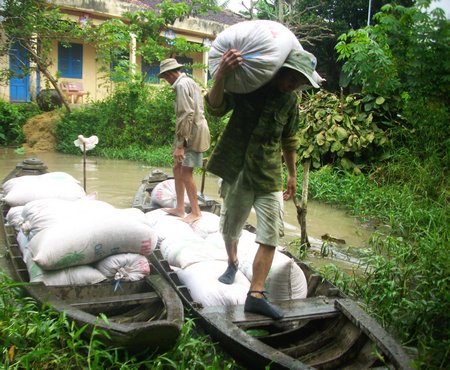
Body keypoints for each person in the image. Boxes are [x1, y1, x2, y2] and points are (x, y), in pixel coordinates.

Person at [205, 48, 321, 319]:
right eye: (292, 77)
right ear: (282, 70)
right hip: (238, 168)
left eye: (300, 81)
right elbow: (215, 109)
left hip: (269, 173)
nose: (294, 84)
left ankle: (256, 294)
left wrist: (292, 174)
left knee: (272, 232)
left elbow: (289, 139)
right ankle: (233, 261)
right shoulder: (250, 84)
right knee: (230, 228)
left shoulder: (290, 102)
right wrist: (221, 73)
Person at [158, 58, 210, 224]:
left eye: (166, 78)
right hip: (188, 131)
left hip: (192, 134)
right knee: (176, 167)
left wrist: (181, 145)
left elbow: (186, 114)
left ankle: (196, 211)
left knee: (186, 173)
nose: (166, 82)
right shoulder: (188, 81)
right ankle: (180, 208)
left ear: (170, 74)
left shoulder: (181, 85)